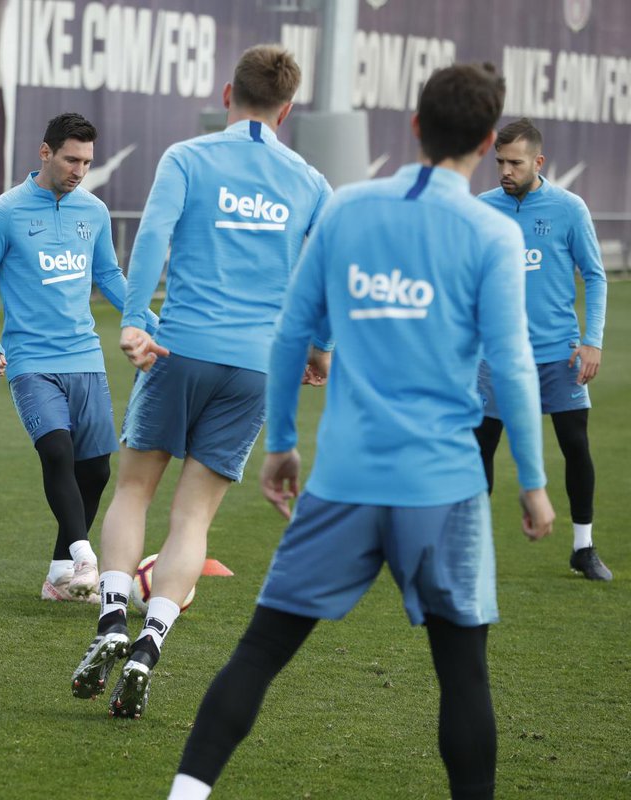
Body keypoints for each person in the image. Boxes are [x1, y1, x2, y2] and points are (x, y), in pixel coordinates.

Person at [168, 64, 555, 800]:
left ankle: (185, 793)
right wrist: (533, 483)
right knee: (463, 673)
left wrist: (281, 442)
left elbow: (290, 336)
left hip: (342, 482)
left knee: (260, 652)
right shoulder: (489, 234)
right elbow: (513, 366)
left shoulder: (347, 209)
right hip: (442, 489)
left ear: (412, 126)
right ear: (484, 140)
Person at [69, 45, 332, 718]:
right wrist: (320, 349)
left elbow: (153, 236)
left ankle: (110, 626)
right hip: (255, 366)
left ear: (226, 94)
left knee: (132, 489)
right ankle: (151, 644)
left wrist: (134, 320)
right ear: (288, 109)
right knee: (193, 518)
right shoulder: (308, 181)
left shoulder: (187, 158)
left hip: (178, 347)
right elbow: (324, 277)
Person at [0, 113, 156, 603]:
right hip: (30, 359)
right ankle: (84, 555)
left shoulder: (93, 212)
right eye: (72, 158)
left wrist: (154, 324)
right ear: (45, 152)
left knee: (95, 472)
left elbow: (110, 277)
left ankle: (57, 578)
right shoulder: (4, 212)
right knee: (56, 451)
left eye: (88, 161)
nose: (79, 169)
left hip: (85, 356)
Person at [475, 118, 610, 581]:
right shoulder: (481, 209)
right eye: (499, 162)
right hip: (493, 356)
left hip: (559, 352)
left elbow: (594, 275)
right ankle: (474, 548)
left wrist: (592, 340)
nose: (505, 171)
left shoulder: (569, 209)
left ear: (538, 161)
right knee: (481, 449)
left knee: (575, 444)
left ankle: (583, 546)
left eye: (515, 162)